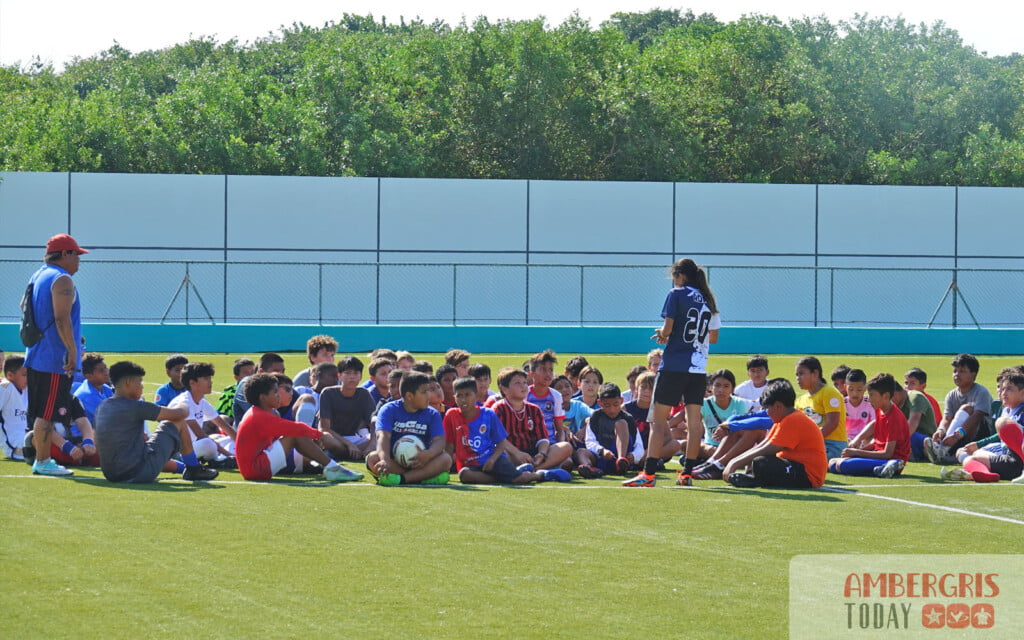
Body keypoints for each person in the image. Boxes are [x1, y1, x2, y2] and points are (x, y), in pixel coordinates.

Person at [624, 258, 721, 487]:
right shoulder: (709, 300)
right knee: (694, 422)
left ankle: (648, 474)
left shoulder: (676, 294)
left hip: (675, 365)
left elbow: (667, 330)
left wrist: (663, 333)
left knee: (658, 421)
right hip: (698, 368)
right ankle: (687, 473)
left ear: (680, 276)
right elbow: (714, 338)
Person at [24, 233, 90, 476]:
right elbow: (62, 318)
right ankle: (43, 461)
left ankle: (43, 460)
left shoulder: (39, 275)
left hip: (37, 354)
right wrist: (73, 350)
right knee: (48, 413)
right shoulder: (62, 280)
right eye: (76, 255)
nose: (79, 261)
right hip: (53, 359)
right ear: (65, 254)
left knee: (44, 411)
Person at [94, 361, 218, 482]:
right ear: (128, 383)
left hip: (111, 474)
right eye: (139, 382)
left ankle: (186, 467)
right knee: (178, 422)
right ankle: (193, 468)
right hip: (137, 472)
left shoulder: (102, 406)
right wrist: (185, 404)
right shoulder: (135, 406)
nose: (142, 387)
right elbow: (180, 414)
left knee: (148, 448)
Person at [234, 372, 361, 482]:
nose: (278, 396)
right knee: (295, 435)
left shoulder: (257, 412)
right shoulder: (260, 416)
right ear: (262, 398)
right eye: (275, 393)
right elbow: (296, 428)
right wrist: (319, 434)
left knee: (298, 436)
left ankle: (329, 465)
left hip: (255, 467)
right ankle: (332, 467)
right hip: (257, 469)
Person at [443, 377, 561, 484]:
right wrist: (444, 468)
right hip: (469, 464)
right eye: (459, 396)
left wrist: (492, 460)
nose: (463, 399)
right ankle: (509, 475)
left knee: (519, 480)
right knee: (464, 475)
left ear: (475, 395)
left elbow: (501, 442)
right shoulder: (451, 415)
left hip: (492, 459)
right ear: (454, 397)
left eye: (467, 395)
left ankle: (539, 475)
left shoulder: (488, 414)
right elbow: (449, 444)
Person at [723, 379, 827, 489]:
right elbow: (763, 445)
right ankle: (753, 478)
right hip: (796, 467)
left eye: (767, 408)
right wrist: (733, 461)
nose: (766, 412)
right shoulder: (783, 420)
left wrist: (735, 463)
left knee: (761, 462)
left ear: (778, 406)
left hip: (808, 475)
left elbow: (768, 448)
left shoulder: (793, 420)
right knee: (759, 461)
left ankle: (755, 480)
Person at [367, 371, 452, 486]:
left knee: (446, 459)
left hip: (423, 461)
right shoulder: (389, 409)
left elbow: (439, 440)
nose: (428, 395)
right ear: (409, 396)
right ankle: (424, 477)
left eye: (429, 391)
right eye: (424, 392)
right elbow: (383, 436)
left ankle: (401, 479)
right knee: (373, 459)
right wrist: (385, 460)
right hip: (396, 461)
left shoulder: (432, 413)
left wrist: (429, 454)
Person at [941, 369, 1024, 483]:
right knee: (967, 455)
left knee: (1002, 423)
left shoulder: (1021, 412)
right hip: (1009, 457)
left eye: (1009, 389)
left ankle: (981, 473)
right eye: (1002, 388)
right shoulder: (1007, 409)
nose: (1003, 393)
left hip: (1016, 461)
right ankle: (985, 474)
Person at [491, 367, 572, 473]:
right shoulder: (498, 409)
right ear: (504, 389)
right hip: (510, 452)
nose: (523, 386)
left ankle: (533, 470)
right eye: (517, 383)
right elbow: (499, 439)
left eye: (524, 382)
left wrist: (541, 453)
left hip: (531, 453)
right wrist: (518, 454)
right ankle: (538, 472)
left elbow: (543, 437)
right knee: (500, 455)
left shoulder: (534, 409)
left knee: (565, 447)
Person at [828, 373, 909, 478]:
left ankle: (890, 466)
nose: (869, 399)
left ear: (886, 396)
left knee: (842, 465)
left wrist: (857, 453)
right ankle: (880, 470)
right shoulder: (881, 409)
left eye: (872, 395)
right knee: (833, 462)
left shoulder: (894, 418)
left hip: (890, 459)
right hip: (880, 456)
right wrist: (858, 446)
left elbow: (887, 453)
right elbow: (877, 436)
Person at [925, 354, 994, 464]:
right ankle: (942, 449)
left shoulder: (981, 392)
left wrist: (957, 435)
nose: (957, 374)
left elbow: (977, 417)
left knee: (967, 408)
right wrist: (940, 430)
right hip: (960, 437)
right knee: (946, 425)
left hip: (981, 435)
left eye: (962, 371)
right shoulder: (951, 395)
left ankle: (942, 450)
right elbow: (947, 418)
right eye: (955, 371)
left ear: (974, 375)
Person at [690, 369, 754, 480]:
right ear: (711, 387)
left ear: (732, 389)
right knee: (686, 444)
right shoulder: (704, 404)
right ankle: (719, 462)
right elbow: (695, 428)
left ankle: (714, 463)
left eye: (726, 386)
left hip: (732, 447)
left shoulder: (739, 404)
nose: (721, 390)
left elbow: (742, 428)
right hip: (710, 446)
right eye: (717, 385)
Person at [318, 357, 377, 462]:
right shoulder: (328, 393)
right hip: (334, 437)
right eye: (348, 373)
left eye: (356, 373)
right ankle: (354, 453)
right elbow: (325, 428)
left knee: (382, 439)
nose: (352, 377)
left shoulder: (364, 394)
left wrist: (372, 444)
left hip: (355, 438)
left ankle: (340, 454)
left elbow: (374, 423)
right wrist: (349, 444)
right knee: (325, 437)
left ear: (361, 376)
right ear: (339, 376)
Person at [582, 383, 644, 476]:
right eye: (607, 405)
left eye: (616, 404)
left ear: (621, 401)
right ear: (600, 403)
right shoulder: (595, 417)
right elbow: (590, 441)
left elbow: (639, 445)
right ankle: (588, 468)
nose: (612, 410)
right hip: (603, 457)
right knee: (581, 452)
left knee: (621, 424)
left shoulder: (627, 418)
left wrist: (634, 456)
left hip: (625, 457)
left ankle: (621, 462)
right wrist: (601, 451)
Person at [794, 356, 848, 461]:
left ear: (815, 373)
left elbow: (832, 423)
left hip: (833, 446)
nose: (797, 378)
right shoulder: (800, 400)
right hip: (813, 444)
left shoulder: (829, 392)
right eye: (796, 375)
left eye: (801, 374)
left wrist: (808, 440)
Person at [526, 350, 568, 442]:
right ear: (532, 374)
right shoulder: (525, 394)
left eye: (550, 370)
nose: (548, 373)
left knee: (566, 449)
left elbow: (560, 429)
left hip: (550, 443)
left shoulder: (556, 396)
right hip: (528, 443)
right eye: (543, 369)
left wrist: (560, 444)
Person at [233, 353, 287, 421]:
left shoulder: (283, 386)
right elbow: (260, 417)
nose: (281, 375)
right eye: (276, 371)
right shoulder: (248, 385)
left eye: (283, 371)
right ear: (261, 372)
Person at [72, 353, 113, 426]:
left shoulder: (105, 388)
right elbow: (111, 418)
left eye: (106, 368)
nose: (107, 372)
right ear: (89, 376)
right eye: (101, 371)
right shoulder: (87, 395)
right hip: (83, 435)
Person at [1, 355, 29, 460]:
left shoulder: (26, 389)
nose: (29, 378)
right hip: (16, 444)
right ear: (10, 375)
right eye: (25, 375)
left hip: (29, 437)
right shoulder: (5, 388)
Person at [215, 357, 255, 426]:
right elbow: (219, 414)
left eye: (253, 372)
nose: (250, 376)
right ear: (236, 377)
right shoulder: (229, 392)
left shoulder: (261, 390)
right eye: (246, 373)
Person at [843, 369, 873, 442]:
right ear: (845, 387)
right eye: (851, 389)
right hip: (846, 440)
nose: (855, 393)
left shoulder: (870, 403)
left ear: (865, 388)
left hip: (865, 440)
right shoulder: (841, 404)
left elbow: (875, 424)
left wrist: (861, 439)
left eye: (859, 390)